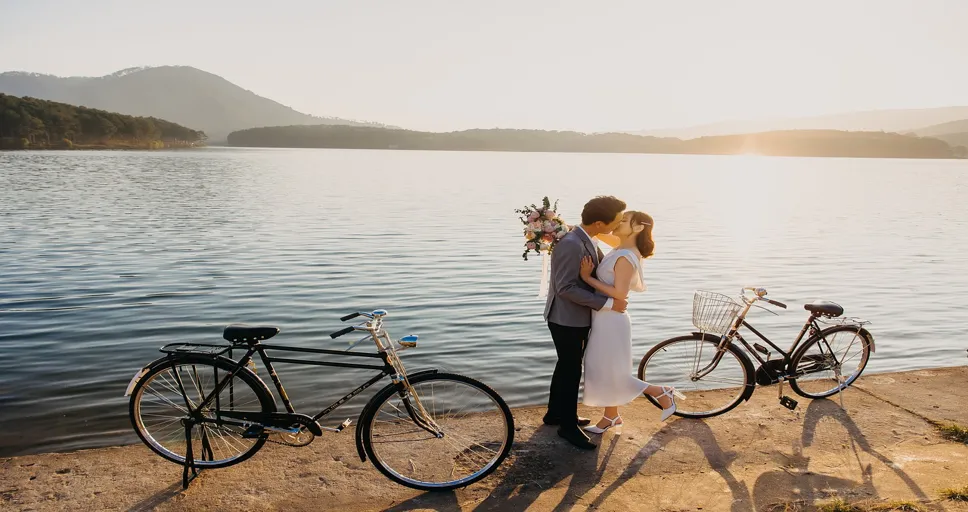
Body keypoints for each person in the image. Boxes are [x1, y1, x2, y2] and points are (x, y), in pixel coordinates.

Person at [579, 211, 682, 435]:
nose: (618, 223)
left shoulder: (625, 256)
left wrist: (588, 279)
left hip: (612, 321)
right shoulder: (621, 247)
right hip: (605, 318)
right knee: (606, 368)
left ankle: (661, 392)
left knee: (611, 371)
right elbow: (597, 234)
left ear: (637, 228)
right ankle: (611, 416)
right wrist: (567, 227)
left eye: (624, 221)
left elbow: (620, 294)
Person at [543, 195, 627, 450]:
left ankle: (555, 414)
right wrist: (606, 304)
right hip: (566, 318)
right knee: (571, 370)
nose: (619, 223)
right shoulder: (572, 243)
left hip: (573, 317)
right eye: (617, 220)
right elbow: (566, 287)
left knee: (566, 366)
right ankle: (567, 427)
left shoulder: (583, 236)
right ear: (600, 222)